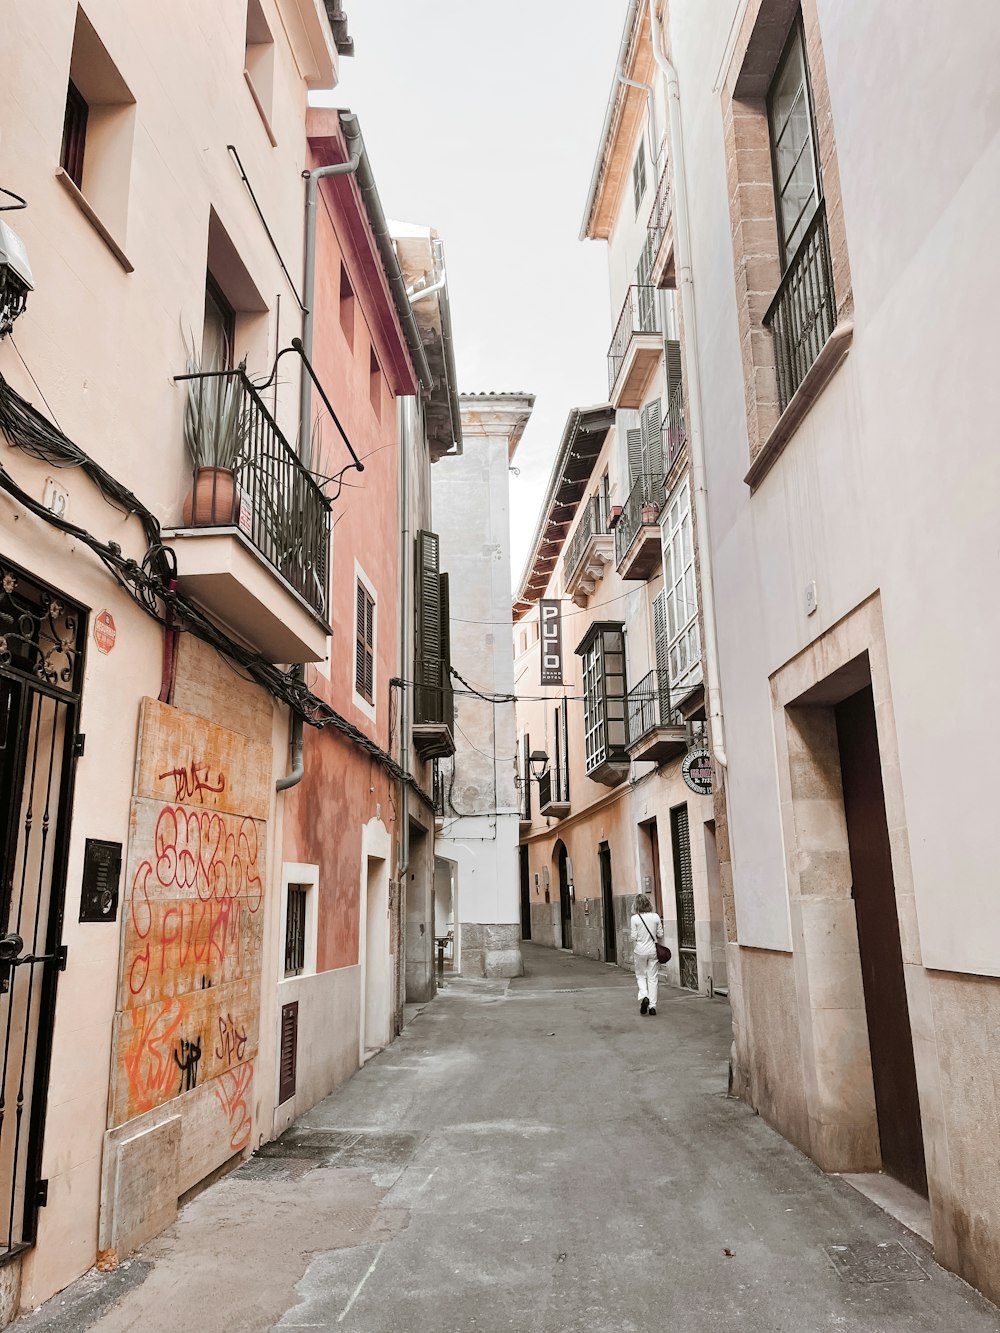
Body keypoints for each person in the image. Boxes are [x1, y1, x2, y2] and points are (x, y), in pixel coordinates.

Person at [630, 893, 664, 1016]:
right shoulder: (655, 917)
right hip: (652, 951)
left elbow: (633, 936)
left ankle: (644, 995)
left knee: (640, 976)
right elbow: (660, 934)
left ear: (636, 905)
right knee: (653, 978)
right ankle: (653, 1006)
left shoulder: (634, 919)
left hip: (639, 950)